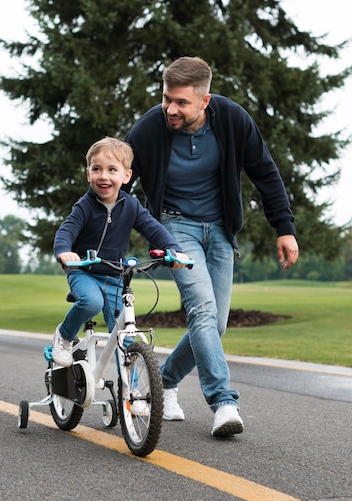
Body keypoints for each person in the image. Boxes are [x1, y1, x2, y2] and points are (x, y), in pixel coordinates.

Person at [125, 56, 299, 437]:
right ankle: (224, 402)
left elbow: (265, 172)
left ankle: (163, 382)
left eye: (181, 102)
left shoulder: (233, 119)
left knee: (216, 323)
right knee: (202, 309)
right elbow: (116, 181)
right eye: (167, 99)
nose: (170, 108)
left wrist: (284, 227)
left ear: (204, 101)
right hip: (174, 227)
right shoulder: (150, 128)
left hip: (220, 230)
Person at [52, 137, 190, 368]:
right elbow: (66, 231)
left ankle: (132, 391)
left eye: (112, 170)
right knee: (91, 302)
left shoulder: (132, 205)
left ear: (126, 176)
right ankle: (65, 335)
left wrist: (174, 250)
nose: (104, 176)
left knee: (126, 335)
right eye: (97, 169)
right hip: (84, 272)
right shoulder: (84, 206)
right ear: (88, 174)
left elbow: (154, 229)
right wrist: (65, 251)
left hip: (115, 276)